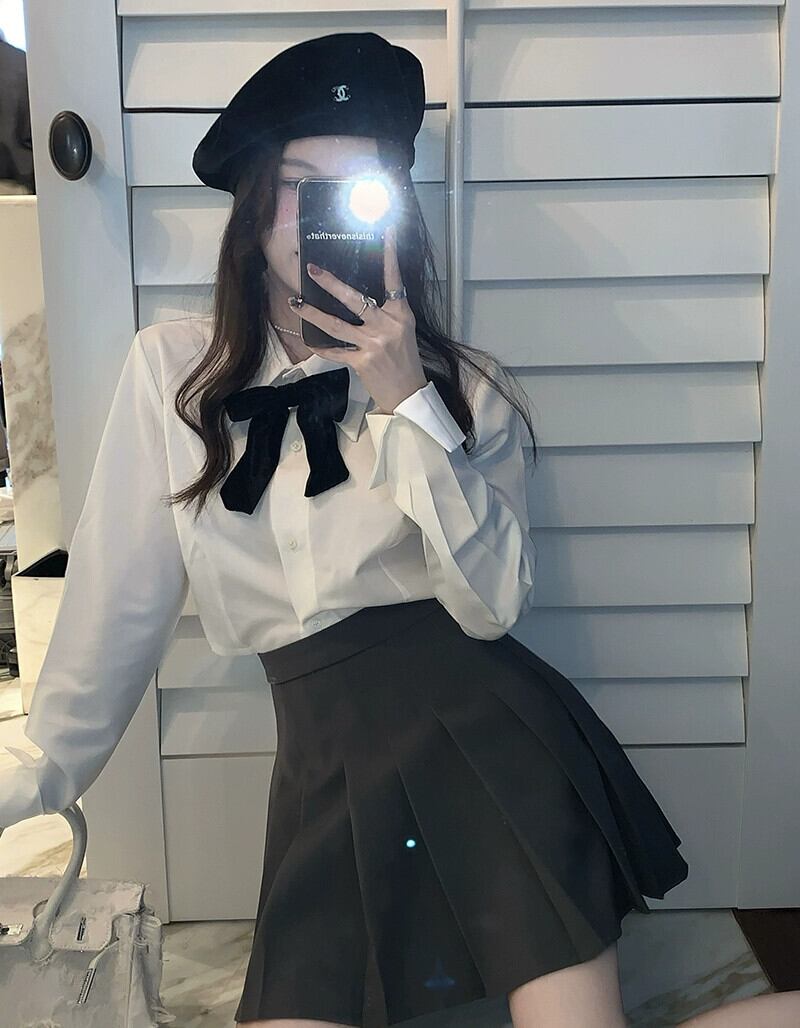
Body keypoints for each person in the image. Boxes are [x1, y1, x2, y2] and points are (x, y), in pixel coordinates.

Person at [1, 30, 798, 1028]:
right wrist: (36, 777)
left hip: (488, 735)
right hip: (323, 768)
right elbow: (116, 602)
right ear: (255, 206)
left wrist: (406, 402)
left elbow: (492, 606)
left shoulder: (467, 389)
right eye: (306, 188)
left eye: (361, 191)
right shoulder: (174, 375)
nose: (326, 217)